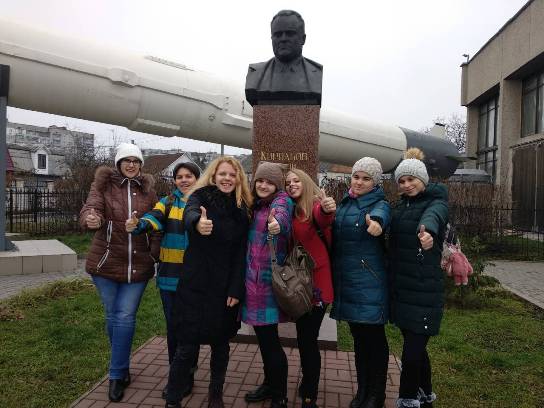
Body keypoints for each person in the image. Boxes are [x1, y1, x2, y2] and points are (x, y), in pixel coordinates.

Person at [164, 156, 252, 408]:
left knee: (220, 345)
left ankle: (216, 394)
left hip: (224, 287)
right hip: (195, 283)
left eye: (232, 175)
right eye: (223, 174)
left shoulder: (242, 209)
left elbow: (240, 253)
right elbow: (189, 214)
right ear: (213, 175)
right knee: (186, 346)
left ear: (238, 179)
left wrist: (236, 288)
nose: (227, 178)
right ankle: (173, 398)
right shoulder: (199, 196)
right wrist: (197, 223)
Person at [80, 143, 161, 403]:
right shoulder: (102, 186)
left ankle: (116, 375)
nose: (131, 165)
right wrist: (91, 218)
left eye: (135, 161)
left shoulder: (148, 191)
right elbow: (91, 208)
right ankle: (122, 366)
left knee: (124, 317)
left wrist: (153, 252)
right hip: (105, 264)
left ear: (141, 165)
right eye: (126, 160)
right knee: (112, 316)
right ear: (118, 164)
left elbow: (157, 223)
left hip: (138, 266)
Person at [125, 162, 201, 399]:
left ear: (197, 178)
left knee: (190, 329)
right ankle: (176, 376)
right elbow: (154, 218)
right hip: (169, 277)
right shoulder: (167, 202)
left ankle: (188, 374)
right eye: (179, 177)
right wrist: (139, 225)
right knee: (174, 329)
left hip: (196, 278)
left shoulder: (204, 202)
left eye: (189, 176)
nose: (184, 180)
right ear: (175, 181)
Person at [389, 148, 448, 408]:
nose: (406, 185)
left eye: (411, 179)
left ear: (422, 179)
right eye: (402, 181)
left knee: (411, 355)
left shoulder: (437, 202)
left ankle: (408, 399)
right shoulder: (400, 207)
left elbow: (432, 218)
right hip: (403, 290)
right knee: (417, 351)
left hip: (424, 292)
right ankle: (426, 397)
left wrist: (428, 233)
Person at [330, 157, 391, 408]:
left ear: (375, 183)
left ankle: (377, 394)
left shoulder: (380, 204)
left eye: (366, 179)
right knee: (359, 340)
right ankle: (363, 390)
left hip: (369, 283)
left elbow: (381, 217)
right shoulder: (345, 203)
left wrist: (377, 224)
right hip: (347, 281)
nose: (359, 182)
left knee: (374, 340)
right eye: (356, 177)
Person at [242, 161, 294, 408]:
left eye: (269, 182)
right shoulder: (255, 204)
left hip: (268, 284)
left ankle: (280, 394)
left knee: (271, 341)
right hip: (252, 283)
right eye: (260, 181)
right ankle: (269, 384)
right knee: (264, 340)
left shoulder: (280, 202)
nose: (263, 185)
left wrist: (277, 225)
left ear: (277, 185)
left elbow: (282, 216)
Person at [284, 168, 335, 408]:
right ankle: (307, 382)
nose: (292, 185)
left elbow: (324, 217)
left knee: (307, 339)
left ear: (305, 182)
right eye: (288, 182)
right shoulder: (291, 209)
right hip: (299, 283)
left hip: (317, 285)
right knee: (304, 337)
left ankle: (310, 394)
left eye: (296, 181)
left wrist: (326, 208)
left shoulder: (314, 206)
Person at [245, 10, 322, 106]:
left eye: (290, 34)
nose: (283, 39)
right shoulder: (255, 74)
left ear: (303, 39)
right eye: (278, 35)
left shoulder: (318, 73)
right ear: (272, 38)